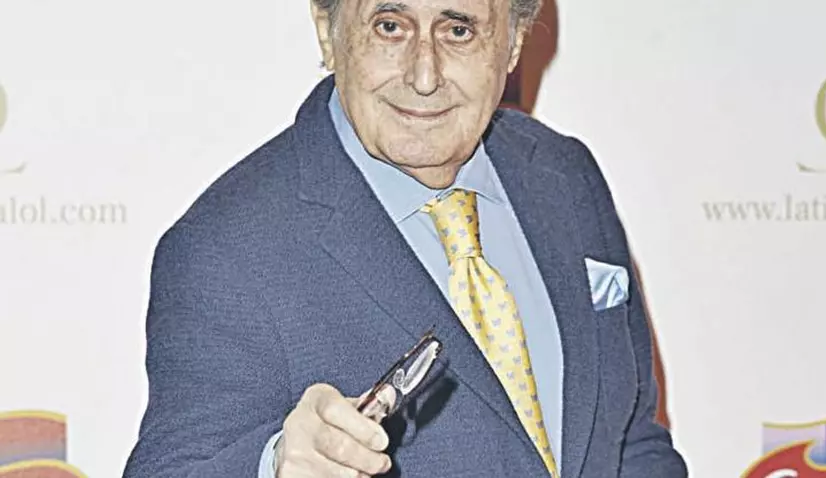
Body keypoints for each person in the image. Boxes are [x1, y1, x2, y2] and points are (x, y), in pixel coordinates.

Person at [122, 0, 689, 476]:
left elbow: (631, 443)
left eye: (458, 30)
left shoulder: (565, 177)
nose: (424, 75)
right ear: (327, 31)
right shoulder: (224, 250)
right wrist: (273, 467)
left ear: (514, 42)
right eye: (390, 26)